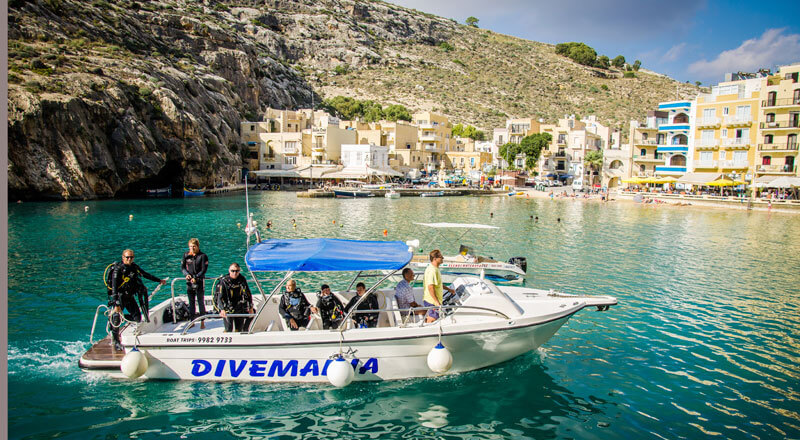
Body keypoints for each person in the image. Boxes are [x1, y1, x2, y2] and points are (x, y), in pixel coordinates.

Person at [108, 249, 167, 350]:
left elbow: (145, 274)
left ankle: (116, 318)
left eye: (131, 257)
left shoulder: (134, 267)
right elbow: (114, 288)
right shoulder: (118, 270)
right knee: (116, 319)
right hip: (120, 297)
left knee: (137, 318)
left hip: (129, 297)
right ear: (123, 258)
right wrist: (116, 304)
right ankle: (116, 340)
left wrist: (159, 280)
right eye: (127, 257)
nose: (129, 259)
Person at [216, 263, 254, 332]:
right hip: (228, 307)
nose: (235, 273)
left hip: (239, 306)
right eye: (232, 271)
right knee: (229, 329)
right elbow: (219, 297)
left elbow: (248, 294)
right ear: (229, 271)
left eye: (237, 271)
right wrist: (222, 309)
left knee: (251, 314)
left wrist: (250, 307)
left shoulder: (242, 279)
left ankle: (245, 330)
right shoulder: (224, 281)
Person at [181, 238, 209, 329]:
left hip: (199, 282)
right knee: (191, 302)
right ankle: (192, 321)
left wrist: (196, 277)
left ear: (197, 246)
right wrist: (187, 275)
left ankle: (202, 321)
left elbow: (203, 270)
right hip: (189, 282)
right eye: (190, 247)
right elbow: (182, 268)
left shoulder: (203, 256)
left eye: (194, 246)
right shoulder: (186, 255)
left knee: (201, 301)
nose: (192, 248)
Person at [423, 249, 454, 323]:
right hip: (432, 302)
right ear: (435, 259)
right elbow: (430, 287)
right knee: (432, 319)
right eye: (441, 256)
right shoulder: (433, 270)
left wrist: (449, 290)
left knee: (431, 317)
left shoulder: (434, 269)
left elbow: (438, 284)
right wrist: (437, 302)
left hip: (431, 300)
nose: (443, 258)